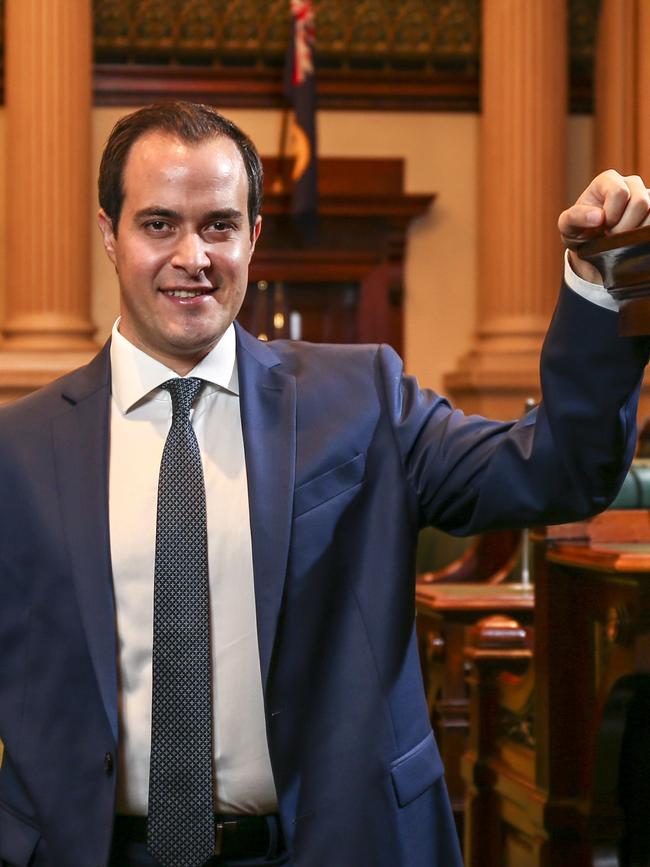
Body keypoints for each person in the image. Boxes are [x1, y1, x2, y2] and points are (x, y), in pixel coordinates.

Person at [0, 102, 647, 867]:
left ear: (253, 236)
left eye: (219, 225)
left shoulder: (362, 397)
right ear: (109, 233)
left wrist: (603, 283)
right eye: (159, 224)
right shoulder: (21, 449)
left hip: (332, 844)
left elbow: (559, 472)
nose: (193, 256)